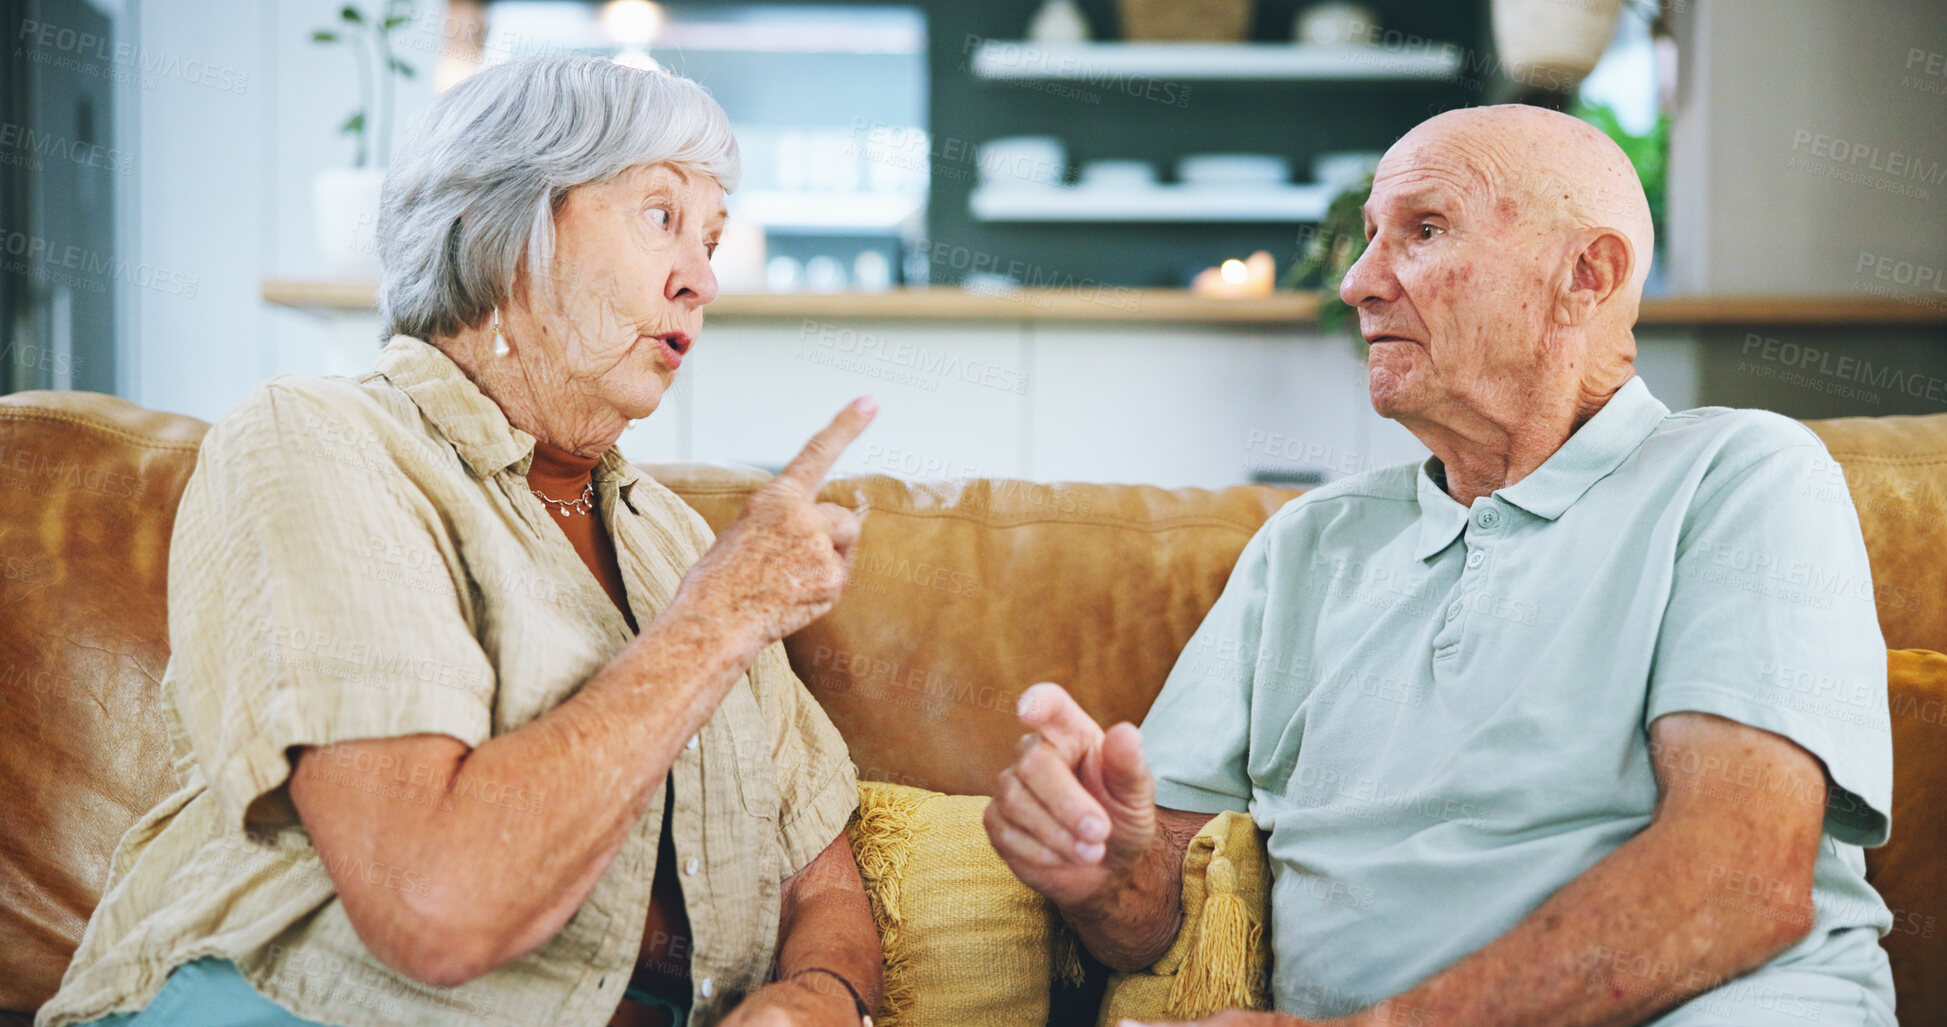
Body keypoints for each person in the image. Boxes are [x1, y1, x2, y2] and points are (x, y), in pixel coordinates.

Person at [986, 105, 1895, 1027]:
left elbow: (1737, 880)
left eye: (1422, 232)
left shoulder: (1739, 477)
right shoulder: (1308, 546)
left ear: (1588, 274)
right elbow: (1145, 922)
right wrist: (1098, 870)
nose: (1357, 283)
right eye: (1366, 238)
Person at [39, 57, 880, 1027]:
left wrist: (819, 998)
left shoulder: (680, 541)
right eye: (660, 217)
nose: (703, 277)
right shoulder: (321, 441)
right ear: (506, 234)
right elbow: (433, 908)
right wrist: (716, 622)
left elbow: (823, 882)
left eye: (713, 238)